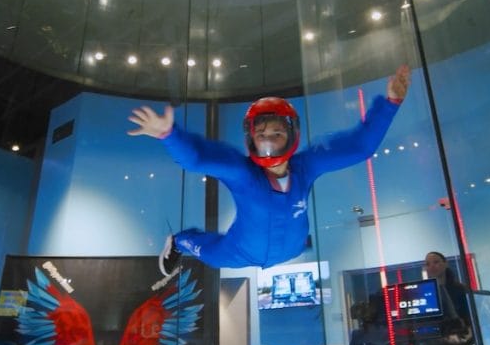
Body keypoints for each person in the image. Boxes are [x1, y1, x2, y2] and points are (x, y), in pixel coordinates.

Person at [128, 65, 410, 282]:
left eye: (277, 132)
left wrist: (391, 104)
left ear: (291, 134)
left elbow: (359, 147)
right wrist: (169, 134)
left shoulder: (306, 166)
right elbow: (198, 158)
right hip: (239, 250)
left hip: (292, 249)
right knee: (210, 254)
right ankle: (179, 241)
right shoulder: (243, 173)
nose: (268, 140)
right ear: (250, 138)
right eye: (261, 133)